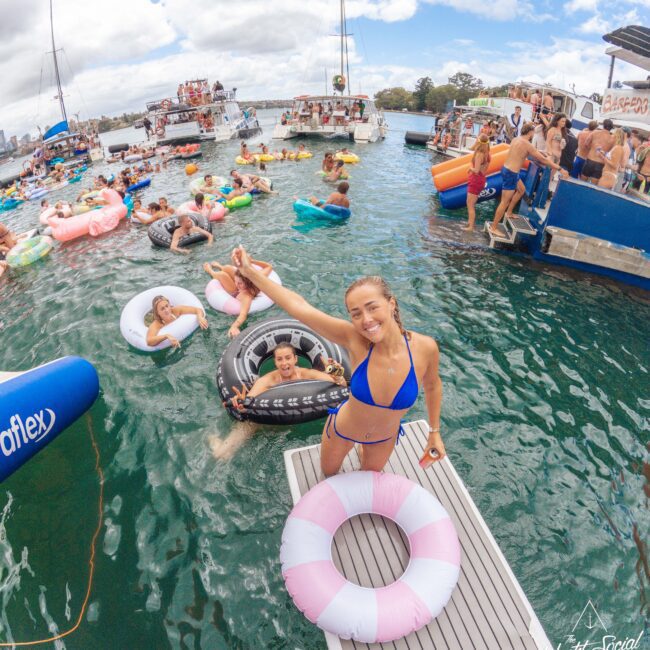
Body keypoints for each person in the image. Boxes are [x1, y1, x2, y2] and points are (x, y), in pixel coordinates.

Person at [229, 246, 444, 476]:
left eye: (372, 307)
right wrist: (249, 272)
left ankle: (362, 451)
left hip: (383, 439)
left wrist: (434, 432)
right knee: (329, 477)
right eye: (356, 313)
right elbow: (298, 306)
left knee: (367, 482)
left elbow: (433, 386)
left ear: (391, 304)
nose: (366, 320)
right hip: (341, 432)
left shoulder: (425, 348)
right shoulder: (355, 339)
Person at [210, 344, 347, 460]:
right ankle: (213, 439)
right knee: (221, 454)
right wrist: (240, 405)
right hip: (268, 423)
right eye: (279, 359)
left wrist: (337, 374)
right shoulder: (268, 380)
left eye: (288, 358)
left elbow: (338, 387)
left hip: (300, 420)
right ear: (275, 363)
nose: (284, 363)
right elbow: (248, 402)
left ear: (295, 359)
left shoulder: (306, 374)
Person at [489, 123, 568, 235]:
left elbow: (524, 153)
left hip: (507, 169)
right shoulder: (527, 144)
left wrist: (541, 153)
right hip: (511, 173)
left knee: (521, 190)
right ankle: (494, 227)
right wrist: (560, 169)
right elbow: (543, 160)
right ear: (530, 132)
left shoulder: (516, 139)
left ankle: (509, 213)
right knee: (504, 202)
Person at [203, 257, 274, 337]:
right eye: (236, 281)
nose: (237, 284)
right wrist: (253, 261)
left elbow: (243, 315)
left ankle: (210, 271)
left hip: (235, 292)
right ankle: (220, 266)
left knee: (222, 275)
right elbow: (269, 267)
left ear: (248, 282)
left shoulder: (247, 296)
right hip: (240, 286)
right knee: (228, 268)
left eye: (239, 283)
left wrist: (234, 326)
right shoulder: (254, 277)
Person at [463, 134, 491, 232]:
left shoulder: (479, 154)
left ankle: (471, 227)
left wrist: (470, 168)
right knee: (470, 203)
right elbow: (484, 170)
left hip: (475, 180)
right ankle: (469, 223)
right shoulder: (488, 154)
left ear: (478, 142)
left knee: (470, 204)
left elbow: (476, 170)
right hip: (481, 180)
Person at [582, 119, 615, 184]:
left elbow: (586, 144)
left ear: (603, 125)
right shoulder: (612, 138)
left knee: (581, 182)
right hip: (601, 164)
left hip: (590, 160)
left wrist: (592, 149)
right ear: (611, 128)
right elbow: (611, 153)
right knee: (594, 186)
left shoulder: (595, 132)